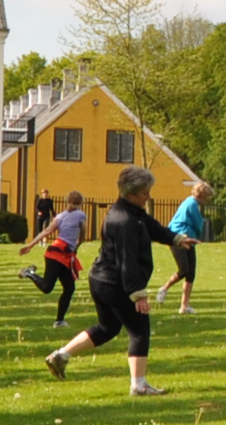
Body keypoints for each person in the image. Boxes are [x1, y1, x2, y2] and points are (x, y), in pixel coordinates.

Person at [43, 166, 177, 395]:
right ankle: (139, 385)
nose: (149, 196)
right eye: (145, 192)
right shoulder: (125, 220)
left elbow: (152, 227)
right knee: (139, 330)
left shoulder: (130, 212)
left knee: (108, 327)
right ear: (132, 193)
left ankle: (60, 356)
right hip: (115, 282)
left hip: (101, 279)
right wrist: (138, 294)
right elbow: (128, 260)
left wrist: (177, 238)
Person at [20, 191, 89, 324]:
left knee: (69, 288)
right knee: (47, 287)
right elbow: (83, 234)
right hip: (56, 254)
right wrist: (78, 244)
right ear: (81, 203)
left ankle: (59, 321)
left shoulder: (60, 216)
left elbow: (46, 231)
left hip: (62, 254)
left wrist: (30, 245)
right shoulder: (81, 215)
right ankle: (29, 273)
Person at [164, 178, 209, 314]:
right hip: (180, 239)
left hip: (188, 239)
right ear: (203, 195)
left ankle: (184, 306)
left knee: (191, 274)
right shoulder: (191, 204)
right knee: (184, 270)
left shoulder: (191, 203)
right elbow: (197, 223)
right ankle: (164, 288)